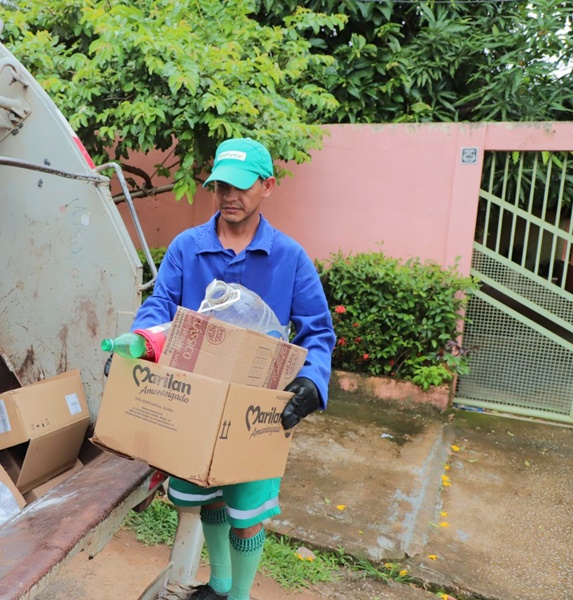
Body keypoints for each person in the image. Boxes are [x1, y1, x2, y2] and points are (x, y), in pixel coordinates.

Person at [129, 137, 336, 600]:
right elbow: (159, 304)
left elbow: (318, 332)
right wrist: (141, 344)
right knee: (209, 495)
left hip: (256, 407)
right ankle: (219, 584)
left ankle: (238, 596)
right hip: (194, 401)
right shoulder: (188, 248)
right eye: (221, 185)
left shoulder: (288, 257)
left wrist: (310, 381)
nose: (229, 195)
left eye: (241, 186)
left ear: (268, 186)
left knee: (248, 510)